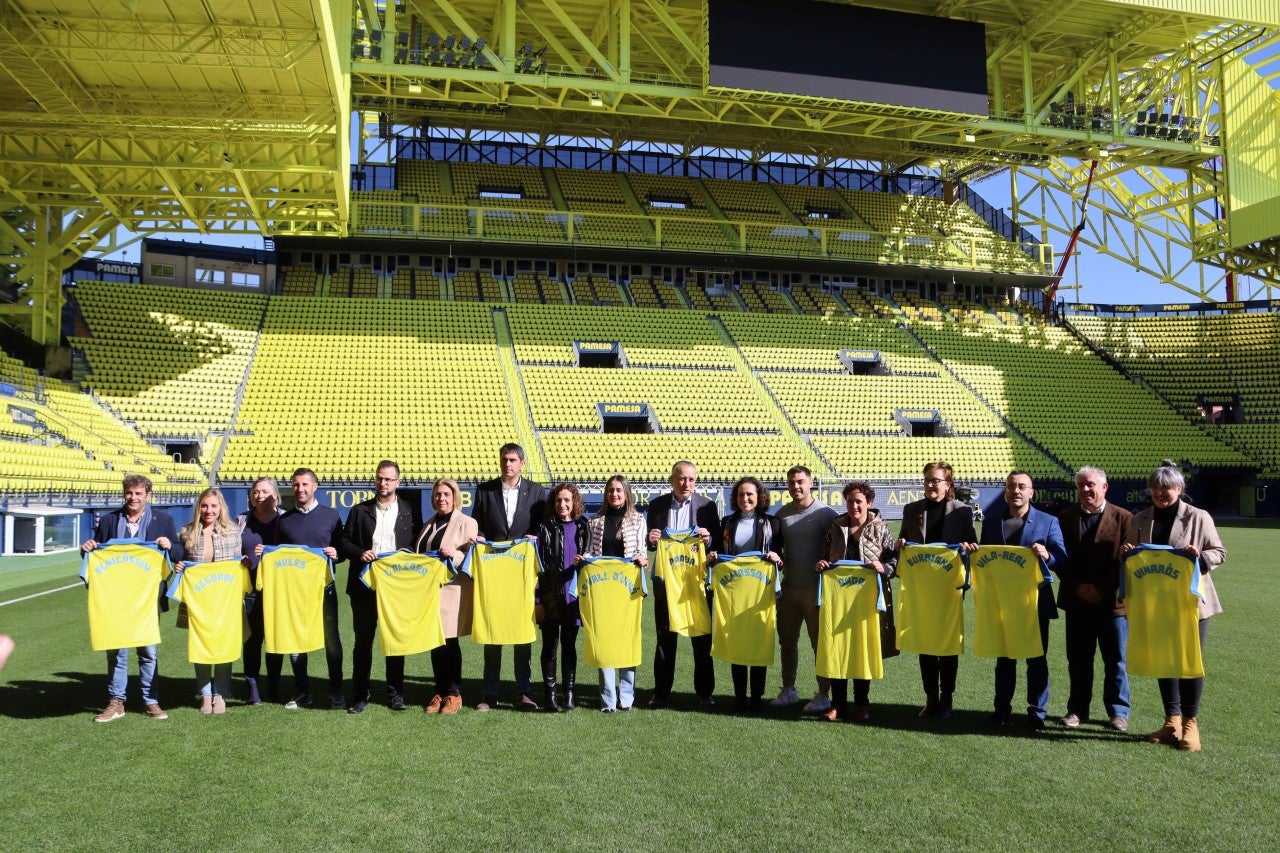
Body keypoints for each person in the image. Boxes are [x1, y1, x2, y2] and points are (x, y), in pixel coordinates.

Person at [1123, 461, 1226, 752]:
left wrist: (1199, 558)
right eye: (1154, 488)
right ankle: (1172, 721)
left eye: (1165, 488)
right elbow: (1131, 555)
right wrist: (1127, 552)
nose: (1159, 493)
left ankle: (1191, 724)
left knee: (1189, 661)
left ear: (1178, 489)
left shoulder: (1198, 516)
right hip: (1154, 601)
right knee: (1165, 661)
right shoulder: (1140, 519)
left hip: (1191, 603)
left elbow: (1219, 552)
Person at [81, 473, 184, 722]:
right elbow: (96, 554)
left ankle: (151, 701)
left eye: (138, 493)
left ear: (148, 496)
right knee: (116, 652)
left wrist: (169, 545)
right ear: (124, 494)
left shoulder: (164, 521)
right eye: (129, 493)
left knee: (148, 651)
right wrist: (86, 548)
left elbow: (180, 551)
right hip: (115, 601)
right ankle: (116, 702)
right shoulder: (108, 521)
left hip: (147, 601)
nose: (133, 497)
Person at [973, 470, 1067, 731]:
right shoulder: (992, 522)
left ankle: (1037, 712)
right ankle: (1001, 709)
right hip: (1002, 602)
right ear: (1005, 490)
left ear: (1031, 492)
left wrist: (1047, 555)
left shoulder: (1048, 522)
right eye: (1012, 486)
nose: (1016, 490)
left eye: (1022, 486)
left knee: (1036, 658)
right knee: (1005, 659)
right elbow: (984, 561)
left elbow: (1063, 558)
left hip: (1035, 603)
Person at [896, 461, 977, 719]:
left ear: (948, 484)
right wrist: (900, 544)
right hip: (922, 587)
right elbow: (903, 542)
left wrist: (967, 547)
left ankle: (947, 698)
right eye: (928, 480)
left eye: (937, 480)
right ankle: (931, 698)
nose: (932, 485)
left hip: (950, 586)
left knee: (948, 643)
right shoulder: (912, 509)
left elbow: (972, 544)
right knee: (926, 642)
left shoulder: (962, 511)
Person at [470, 443, 548, 711]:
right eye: (504, 459)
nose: (508, 464)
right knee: (492, 628)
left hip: (521, 572)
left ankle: (523, 691)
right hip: (493, 572)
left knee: (521, 630)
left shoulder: (537, 492)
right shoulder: (484, 491)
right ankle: (489, 693)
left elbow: (542, 524)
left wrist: (535, 536)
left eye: (513, 460)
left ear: (522, 464)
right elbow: (476, 523)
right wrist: (478, 536)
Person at [1057, 466, 1134, 732]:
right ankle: (1077, 710)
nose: (1085, 490)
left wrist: (1100, 588)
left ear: (1104, 487)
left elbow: (1128, 562)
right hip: (1077, 602)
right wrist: (1078, 587)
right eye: (1081, 485)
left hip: (1112, 603)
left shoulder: (1125, 518)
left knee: (1116, 661)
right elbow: (1059, 560)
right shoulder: (1065, 518)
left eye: (1090, 484)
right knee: (1078, 660)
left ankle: (1118, 712)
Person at [340, 460, 420, 713]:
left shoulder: (409, 510)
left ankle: (396, 693)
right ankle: (360, 694)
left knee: (395, 640)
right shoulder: (359, 510)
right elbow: (344, 541)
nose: (383, 483)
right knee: (363, 641)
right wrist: (360, 552)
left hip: (396, 586)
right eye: (379, 478)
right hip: (364, 584)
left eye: (388, 479)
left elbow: (416, 545)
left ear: (397, 482)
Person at [817, 481, 896, 723]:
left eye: (859, 501)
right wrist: (822, 564)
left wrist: (884, 567)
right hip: (839, 597)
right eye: (850, 501)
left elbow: (895, 561)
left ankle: (862, 704)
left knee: (863, 647)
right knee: (838, 647)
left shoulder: (881, 528)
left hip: (868, 598)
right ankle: (838, 705)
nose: (854, 506)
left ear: (869, 503)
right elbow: (825, 554)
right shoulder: (836, 526)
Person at [645, 460, 721, 708]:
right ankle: (661, 692)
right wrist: (651, 539)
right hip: (667, 586)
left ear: (695, 482)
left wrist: (708, 540)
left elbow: (716, 544)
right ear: (671, 480)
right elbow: (648, 545)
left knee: (701, 639)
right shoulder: (656, 506)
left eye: (690, 479)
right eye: (680, 478)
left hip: (696, 584)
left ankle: (705, 692)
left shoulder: (707, 507)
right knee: (665, 640)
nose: (685, 483)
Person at [277, 467, 345, 710]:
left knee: (332, 641)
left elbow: (342, 550)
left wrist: (337, 553)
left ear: (315, 487)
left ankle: (336, 692)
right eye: (296, 485)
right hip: (293, 593)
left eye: (305, 484)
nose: (300, 489)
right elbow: (276, 555)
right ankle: (302, 692)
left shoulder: (331, 516)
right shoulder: (283, 520)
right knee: (296, 642)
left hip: (323, 590)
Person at [712, 476, 782, 712]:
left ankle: (756, 697)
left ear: (759, 497)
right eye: (741, 495)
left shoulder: (772, 523)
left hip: (760, 592)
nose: (745, 499)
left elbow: (779, 556)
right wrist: (714, 557)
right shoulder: (727, 522)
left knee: (758, 642)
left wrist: (775, 558)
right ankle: (740, 695)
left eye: (750, 494)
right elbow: (721, 554)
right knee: (738, 642)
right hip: (734, 592)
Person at [771, 465, 837, 713]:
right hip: (788, 589)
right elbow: (776, 550)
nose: (796, 487)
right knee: (787, 642)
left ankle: (823, 693)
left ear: (810, 483)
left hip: (816, 591)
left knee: (819, 644)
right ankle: (788, 688)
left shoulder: (826, 514)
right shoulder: (781, 515)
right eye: (791, 482)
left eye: (800, 481)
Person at [175, 488, 244, 714]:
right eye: (204, 506)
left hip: (224, 602)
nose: (209, 510)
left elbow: (238, 564)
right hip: (198, 602)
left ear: (221, 507)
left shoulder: (233, 532)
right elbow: (181, 563)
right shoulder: (186, 532)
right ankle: (205, 694)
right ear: (198, 508)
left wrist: (242, 564)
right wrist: (179, 567)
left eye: (214, 506)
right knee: (201, 646)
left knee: (223, 646)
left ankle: (221, 693)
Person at [583, 475, 649, 712]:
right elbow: (590, 550)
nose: (615, 494)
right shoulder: (595, 521)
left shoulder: (638, 520)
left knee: (627, 639)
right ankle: (608, 698)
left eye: (619, 490)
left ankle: (627, 697)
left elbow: (641, 549)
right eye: (611, 490)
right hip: (603, 590)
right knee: (605, 641)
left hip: (628, 589)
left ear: (627, 493)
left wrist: (641, 558)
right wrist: (585, 559)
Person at [415, 478, 478, 715]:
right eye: (438, 494)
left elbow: (471, 554)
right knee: (436, 641)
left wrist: (454, 555)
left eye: (446, 494)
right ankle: (439, 691)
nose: (441, 498)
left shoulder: (467, 522)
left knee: (449, 641)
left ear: (455, 497)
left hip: (452, 590)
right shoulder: (428, 524)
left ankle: (453, 694)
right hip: (431, 590)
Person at [536, 483, 589, 711]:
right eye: (558, 500)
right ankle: (549, 694)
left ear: (575, 502)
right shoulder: (544, 527)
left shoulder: (584, 526)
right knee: (550, 645)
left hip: (573, 597)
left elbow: (592, 557)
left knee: (569, 645)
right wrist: (537, 600)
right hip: (549, 596)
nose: (563, 505)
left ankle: (568, 693)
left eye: (567, 500)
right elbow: (536, 567)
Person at [237, 477, 282, 705]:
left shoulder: (286, 519)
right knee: (252, 641)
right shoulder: (241, 521)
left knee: (276, 639)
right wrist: (239, 560)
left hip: (278, 590)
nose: (259, 495)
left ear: (275, 494)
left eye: (264, 491)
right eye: (256, 491)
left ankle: (274, 686)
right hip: (250, 589)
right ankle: (252, 687)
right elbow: (229, 551)